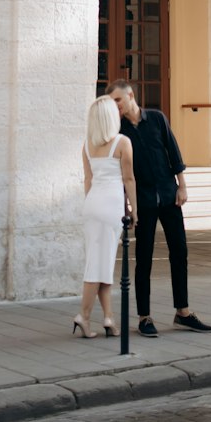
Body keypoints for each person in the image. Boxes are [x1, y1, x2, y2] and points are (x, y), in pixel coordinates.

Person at [107, 79, 211, 337]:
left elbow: (172, 151)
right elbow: (118, 173)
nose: (116, 106)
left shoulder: (156, 118)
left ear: (130, 95)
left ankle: (183, 313)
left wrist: (182, 185)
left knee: (180, 252)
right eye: (112, 103)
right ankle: (144, 317)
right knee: (143, 259)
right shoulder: (118, 132)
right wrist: (127, 208)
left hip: (168, 196)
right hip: (142, 202)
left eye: (118, 100)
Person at [74, 95, 138, 339]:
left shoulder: (87, 145)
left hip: (92, 205)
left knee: (103, 263)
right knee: (98, 265)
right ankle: (84, 315)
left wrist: (92, 204)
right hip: (111, 207)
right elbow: (128, 179)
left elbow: (88, 180)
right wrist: (134, 210)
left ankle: (109, 318)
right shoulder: (122, 142)